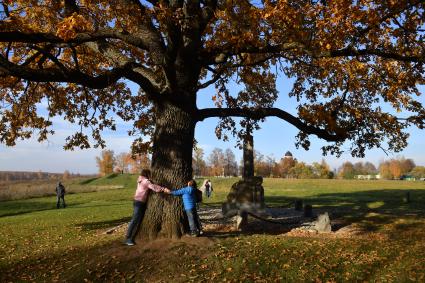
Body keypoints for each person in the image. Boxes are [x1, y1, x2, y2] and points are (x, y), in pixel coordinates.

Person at [124, 169, 168, 246]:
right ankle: (128, 238)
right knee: (135, 220)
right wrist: (163, 189)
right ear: (147, 174)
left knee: (137, 220)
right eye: (149, 174)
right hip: (139, 203)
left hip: (138, 201)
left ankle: (129, 237)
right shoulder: (145, 181)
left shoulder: (140, 180)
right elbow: (153, 187)